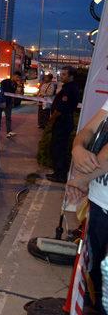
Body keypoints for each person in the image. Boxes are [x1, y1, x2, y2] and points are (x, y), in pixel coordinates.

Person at [66, 97, 108, 313]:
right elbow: (89, 129)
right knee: (95, 278)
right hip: (100, 204)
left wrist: (82, 179)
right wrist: (78, 147)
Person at [46, 66, 80, 183]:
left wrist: (51, 120)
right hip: (64, 122)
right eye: (62, 73)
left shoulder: (69, 89)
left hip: (62, 122)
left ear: (71, 76)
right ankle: (59, 173)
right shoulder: (70, 87)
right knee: (59, 147)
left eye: (64, 74)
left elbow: (60, 109)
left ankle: (60, 175)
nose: (61, 76)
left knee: (58, 148)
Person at [0, 71, 22, 138]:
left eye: (19, 77)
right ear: (13, 75)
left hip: (9, 103)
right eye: (17, 77)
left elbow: (13, 93)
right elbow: (0, 91)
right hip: (2, 102)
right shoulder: (5, 81)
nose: (18, 79)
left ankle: (9, 132)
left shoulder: (15, 84)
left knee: (8, 117)